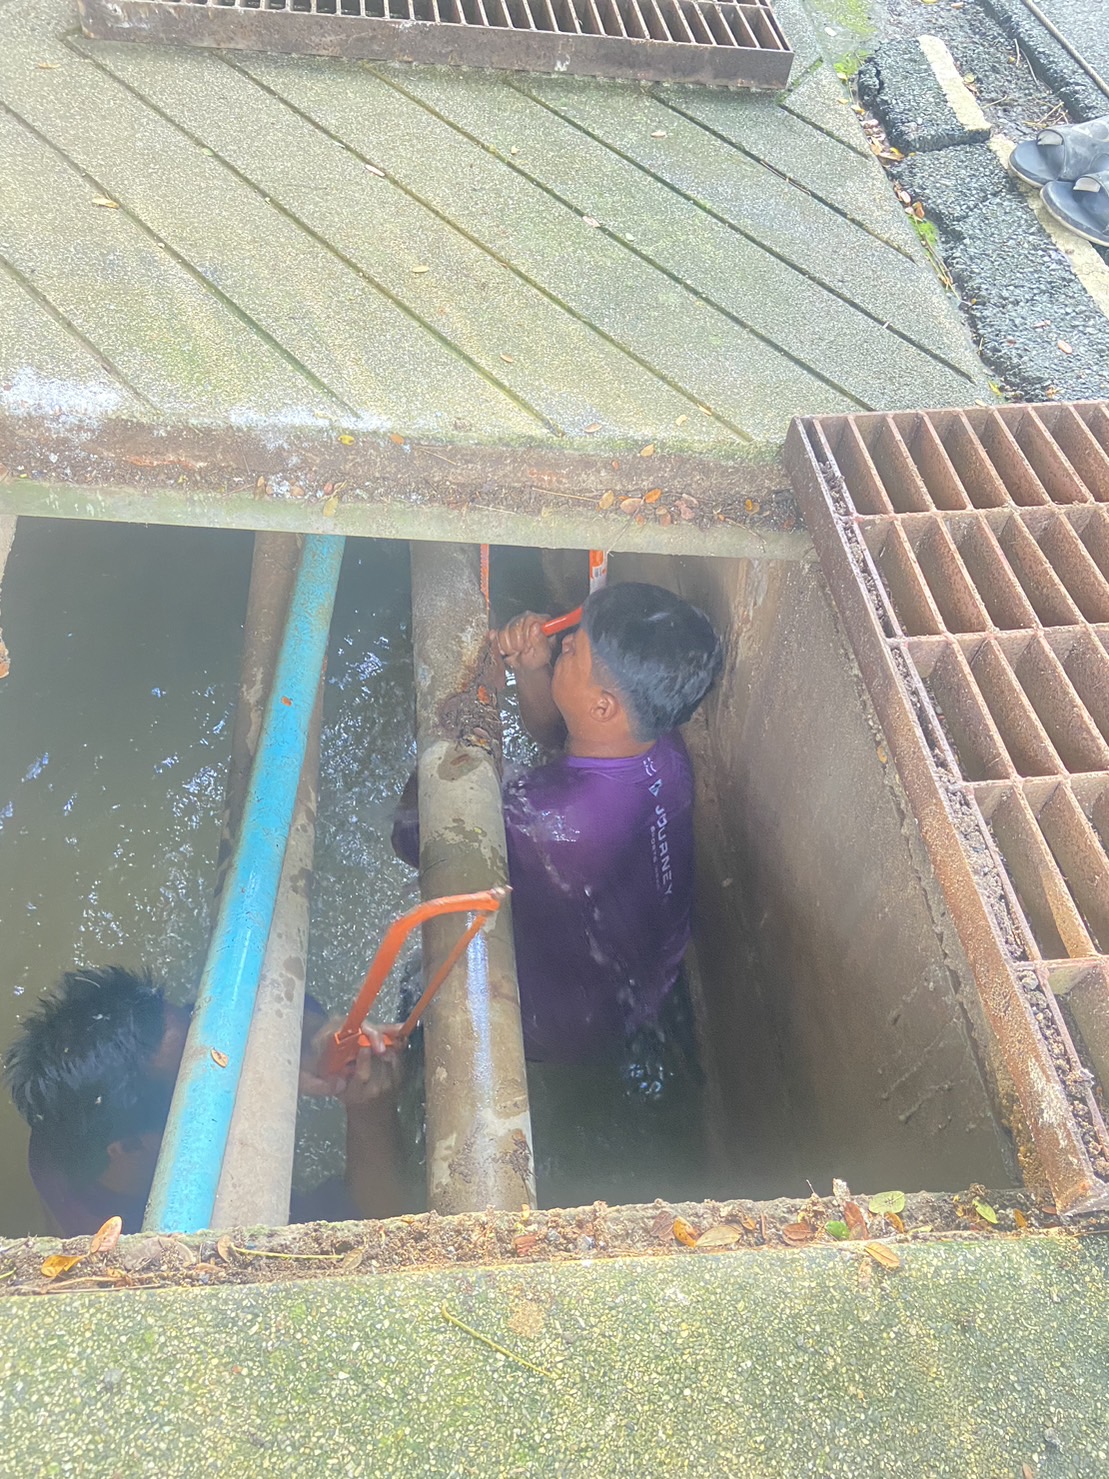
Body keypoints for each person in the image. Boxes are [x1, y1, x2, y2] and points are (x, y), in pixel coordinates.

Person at [394, 580, 722, 1066]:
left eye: (573, 649)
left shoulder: (552, 824)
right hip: (647, 981)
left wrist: (461, 722)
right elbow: (560, 735)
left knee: (418, 988)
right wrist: (534, 671)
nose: (561, 640)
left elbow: (413, 834)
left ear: (604, 706)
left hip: (555, 1024)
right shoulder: (662, 749)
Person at [3, 966, 407, 1236]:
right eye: (205, 1073)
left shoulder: (68, 1119)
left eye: (200, 1028)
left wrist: (308, 1037)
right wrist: (370, 1108)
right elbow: (374, 1228)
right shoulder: (158, 1237)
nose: (225, 1056)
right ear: (132, 1145)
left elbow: (242, 1012)